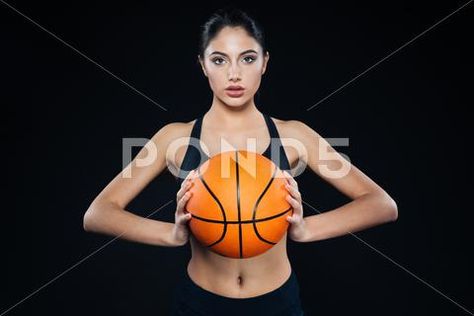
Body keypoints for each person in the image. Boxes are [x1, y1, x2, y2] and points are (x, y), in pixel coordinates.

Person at [83, 7, 398, 316]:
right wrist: (172, 234)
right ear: (203, 65)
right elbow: (98, 213)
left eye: (247, 58)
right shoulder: (174, 139)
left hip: (277, 304)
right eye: (219, 60)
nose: (234, 74)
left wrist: (305, 229)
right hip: (199, 303)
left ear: (264, 63)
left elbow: (381, 204)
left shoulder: (293, 136)